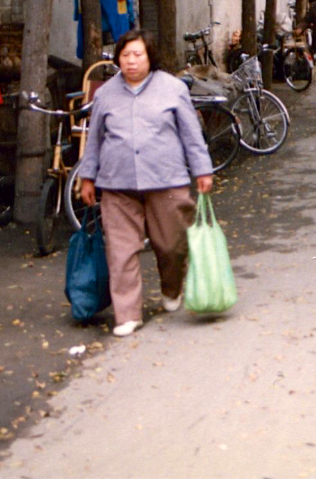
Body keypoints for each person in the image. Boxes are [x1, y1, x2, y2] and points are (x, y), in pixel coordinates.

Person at [78, 29, 214, 337]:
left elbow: (191, 135)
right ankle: (127, 314)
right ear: (118, 59)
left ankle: (172, 287)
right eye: (125, 55)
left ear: (150, 57)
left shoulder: (172, 88)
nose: (131, 61)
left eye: (138, 54)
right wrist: (88, 177)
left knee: (172, 245)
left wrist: (202, 170)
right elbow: (94, 139)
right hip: (117, 183)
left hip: (166, 180)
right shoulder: (106, 94)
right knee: (121, 250)